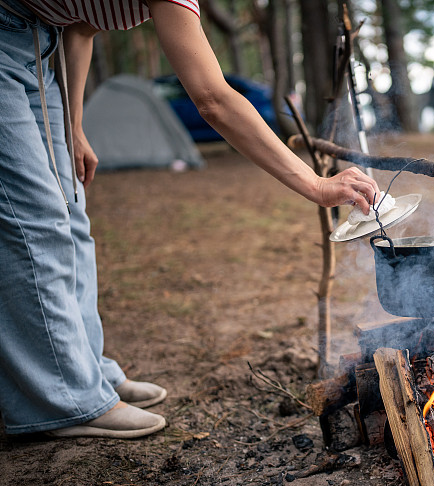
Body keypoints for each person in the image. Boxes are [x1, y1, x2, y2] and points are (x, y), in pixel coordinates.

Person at [0, 0, 380, 439]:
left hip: (42, 46)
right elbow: (213, 98)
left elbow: (80, 29)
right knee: (35, 224)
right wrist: (315, 185)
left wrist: (76, 124)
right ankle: (62, 397)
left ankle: (85, 367)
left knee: (70, 212)